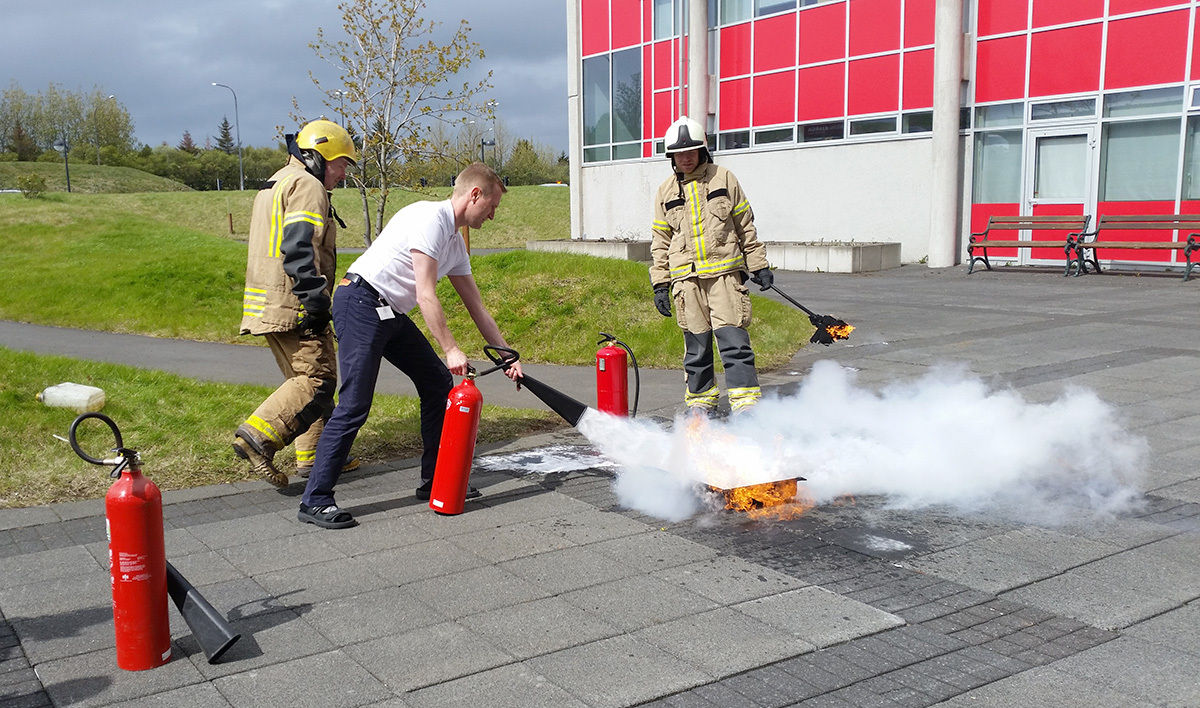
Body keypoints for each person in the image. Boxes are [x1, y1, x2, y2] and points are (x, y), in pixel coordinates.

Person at [297, 162, 523, 529]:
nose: (493, 215)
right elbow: (425, 294)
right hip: (360, 302)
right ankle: (315, 498)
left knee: (436, 383)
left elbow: (476, 307)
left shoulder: (454, 241)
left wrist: (506, 354)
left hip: (387, 310)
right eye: (492, 206)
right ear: (474, 195)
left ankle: (434, 479)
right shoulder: (430, 220)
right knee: (355, 403)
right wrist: (451, 348)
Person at [233, 118, 361, 487]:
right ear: (318, 157)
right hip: (296, 303)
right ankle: (259, 437)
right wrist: (316, 303)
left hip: (267, 302)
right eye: (340, 165)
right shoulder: (308, 186)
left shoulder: (279, 181)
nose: (342, 174)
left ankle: (316, 455)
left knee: (304, 377)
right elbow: (298, 247)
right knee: (318, 379)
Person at [649, 116, 772, 416]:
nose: (685, 158)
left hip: (724, 277)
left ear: (703, 151)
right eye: (679, 154)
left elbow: (745, 226)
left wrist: (759, 265)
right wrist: (660, 284)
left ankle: (745, 404)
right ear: (671, 158)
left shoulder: (724, 179)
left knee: (734, 342)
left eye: (691, 152)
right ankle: (702, 402)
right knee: (696, 346)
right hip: (686, 281)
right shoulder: (665, 191)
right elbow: (660, 241)